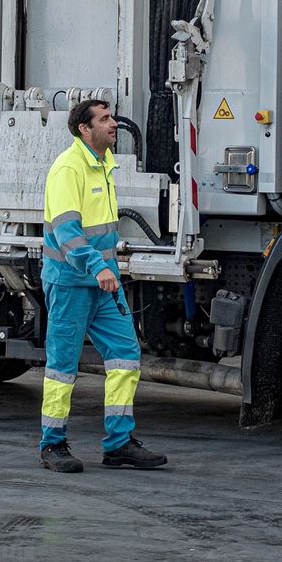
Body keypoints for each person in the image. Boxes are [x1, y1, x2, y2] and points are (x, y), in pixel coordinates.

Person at [37, 99, 168, 473]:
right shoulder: (68, 169)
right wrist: (98, 268)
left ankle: (119, 443)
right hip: (71, 284)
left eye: (112, 118)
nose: (114, 124)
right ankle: (52, 444)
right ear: (84, 128)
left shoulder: (104, 164)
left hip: (103, 285)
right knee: (62, 367)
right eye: (105, 119)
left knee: (126, 355)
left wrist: (107, 270)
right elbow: (66, 233)